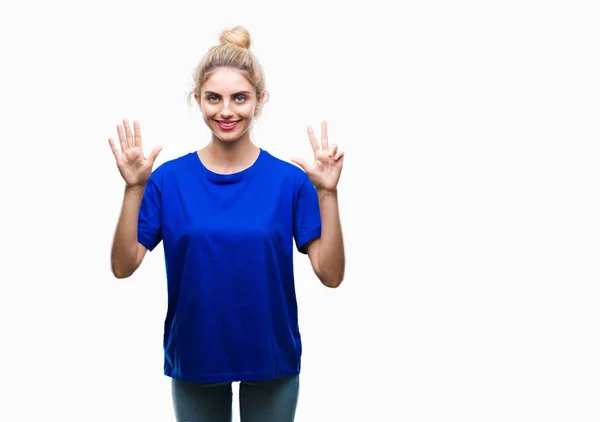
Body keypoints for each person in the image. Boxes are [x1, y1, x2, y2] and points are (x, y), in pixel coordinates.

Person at [108, 25, 345, 422]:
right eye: (214, 98)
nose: (227, 111)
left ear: (260, 100)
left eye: (240, 98)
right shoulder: (168, 179)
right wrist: (134, 188)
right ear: (197, 100)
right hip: (197, 353)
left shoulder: (290, 181)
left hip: (271, 354)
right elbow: (122, 265)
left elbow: (331, 274)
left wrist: (329, 195)